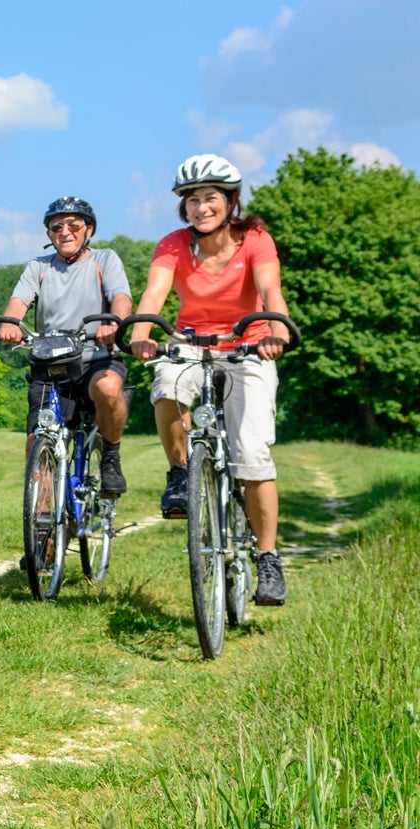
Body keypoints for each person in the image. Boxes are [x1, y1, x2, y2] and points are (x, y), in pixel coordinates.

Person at [128, 153, 291, 606]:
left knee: (251, 454)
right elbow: (154, 295)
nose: (202, 207)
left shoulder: (255, 239)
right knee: (165, 385)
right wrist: (142, 335)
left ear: (230, 201)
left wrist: (276, 330)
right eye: (193, 199)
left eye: (211, 197)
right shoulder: (173, 245)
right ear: (184, 207)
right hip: (191, 343)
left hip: (247, 347)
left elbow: (271, 289)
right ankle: (181, 473)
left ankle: (268, 557)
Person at [0, 196, 133, 496]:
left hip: (96, 357)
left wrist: (115, 323)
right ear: (49, 235)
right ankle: (43, 527)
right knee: (37, 440)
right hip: (51, 364)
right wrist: (9, 323)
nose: (65, 232)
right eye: (57, 227)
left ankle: (110, 456)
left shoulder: (105, 260)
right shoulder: (39, 267)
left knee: (109, 388)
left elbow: (121, 296)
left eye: (74, 225)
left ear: (89, 231)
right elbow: (18, 302)